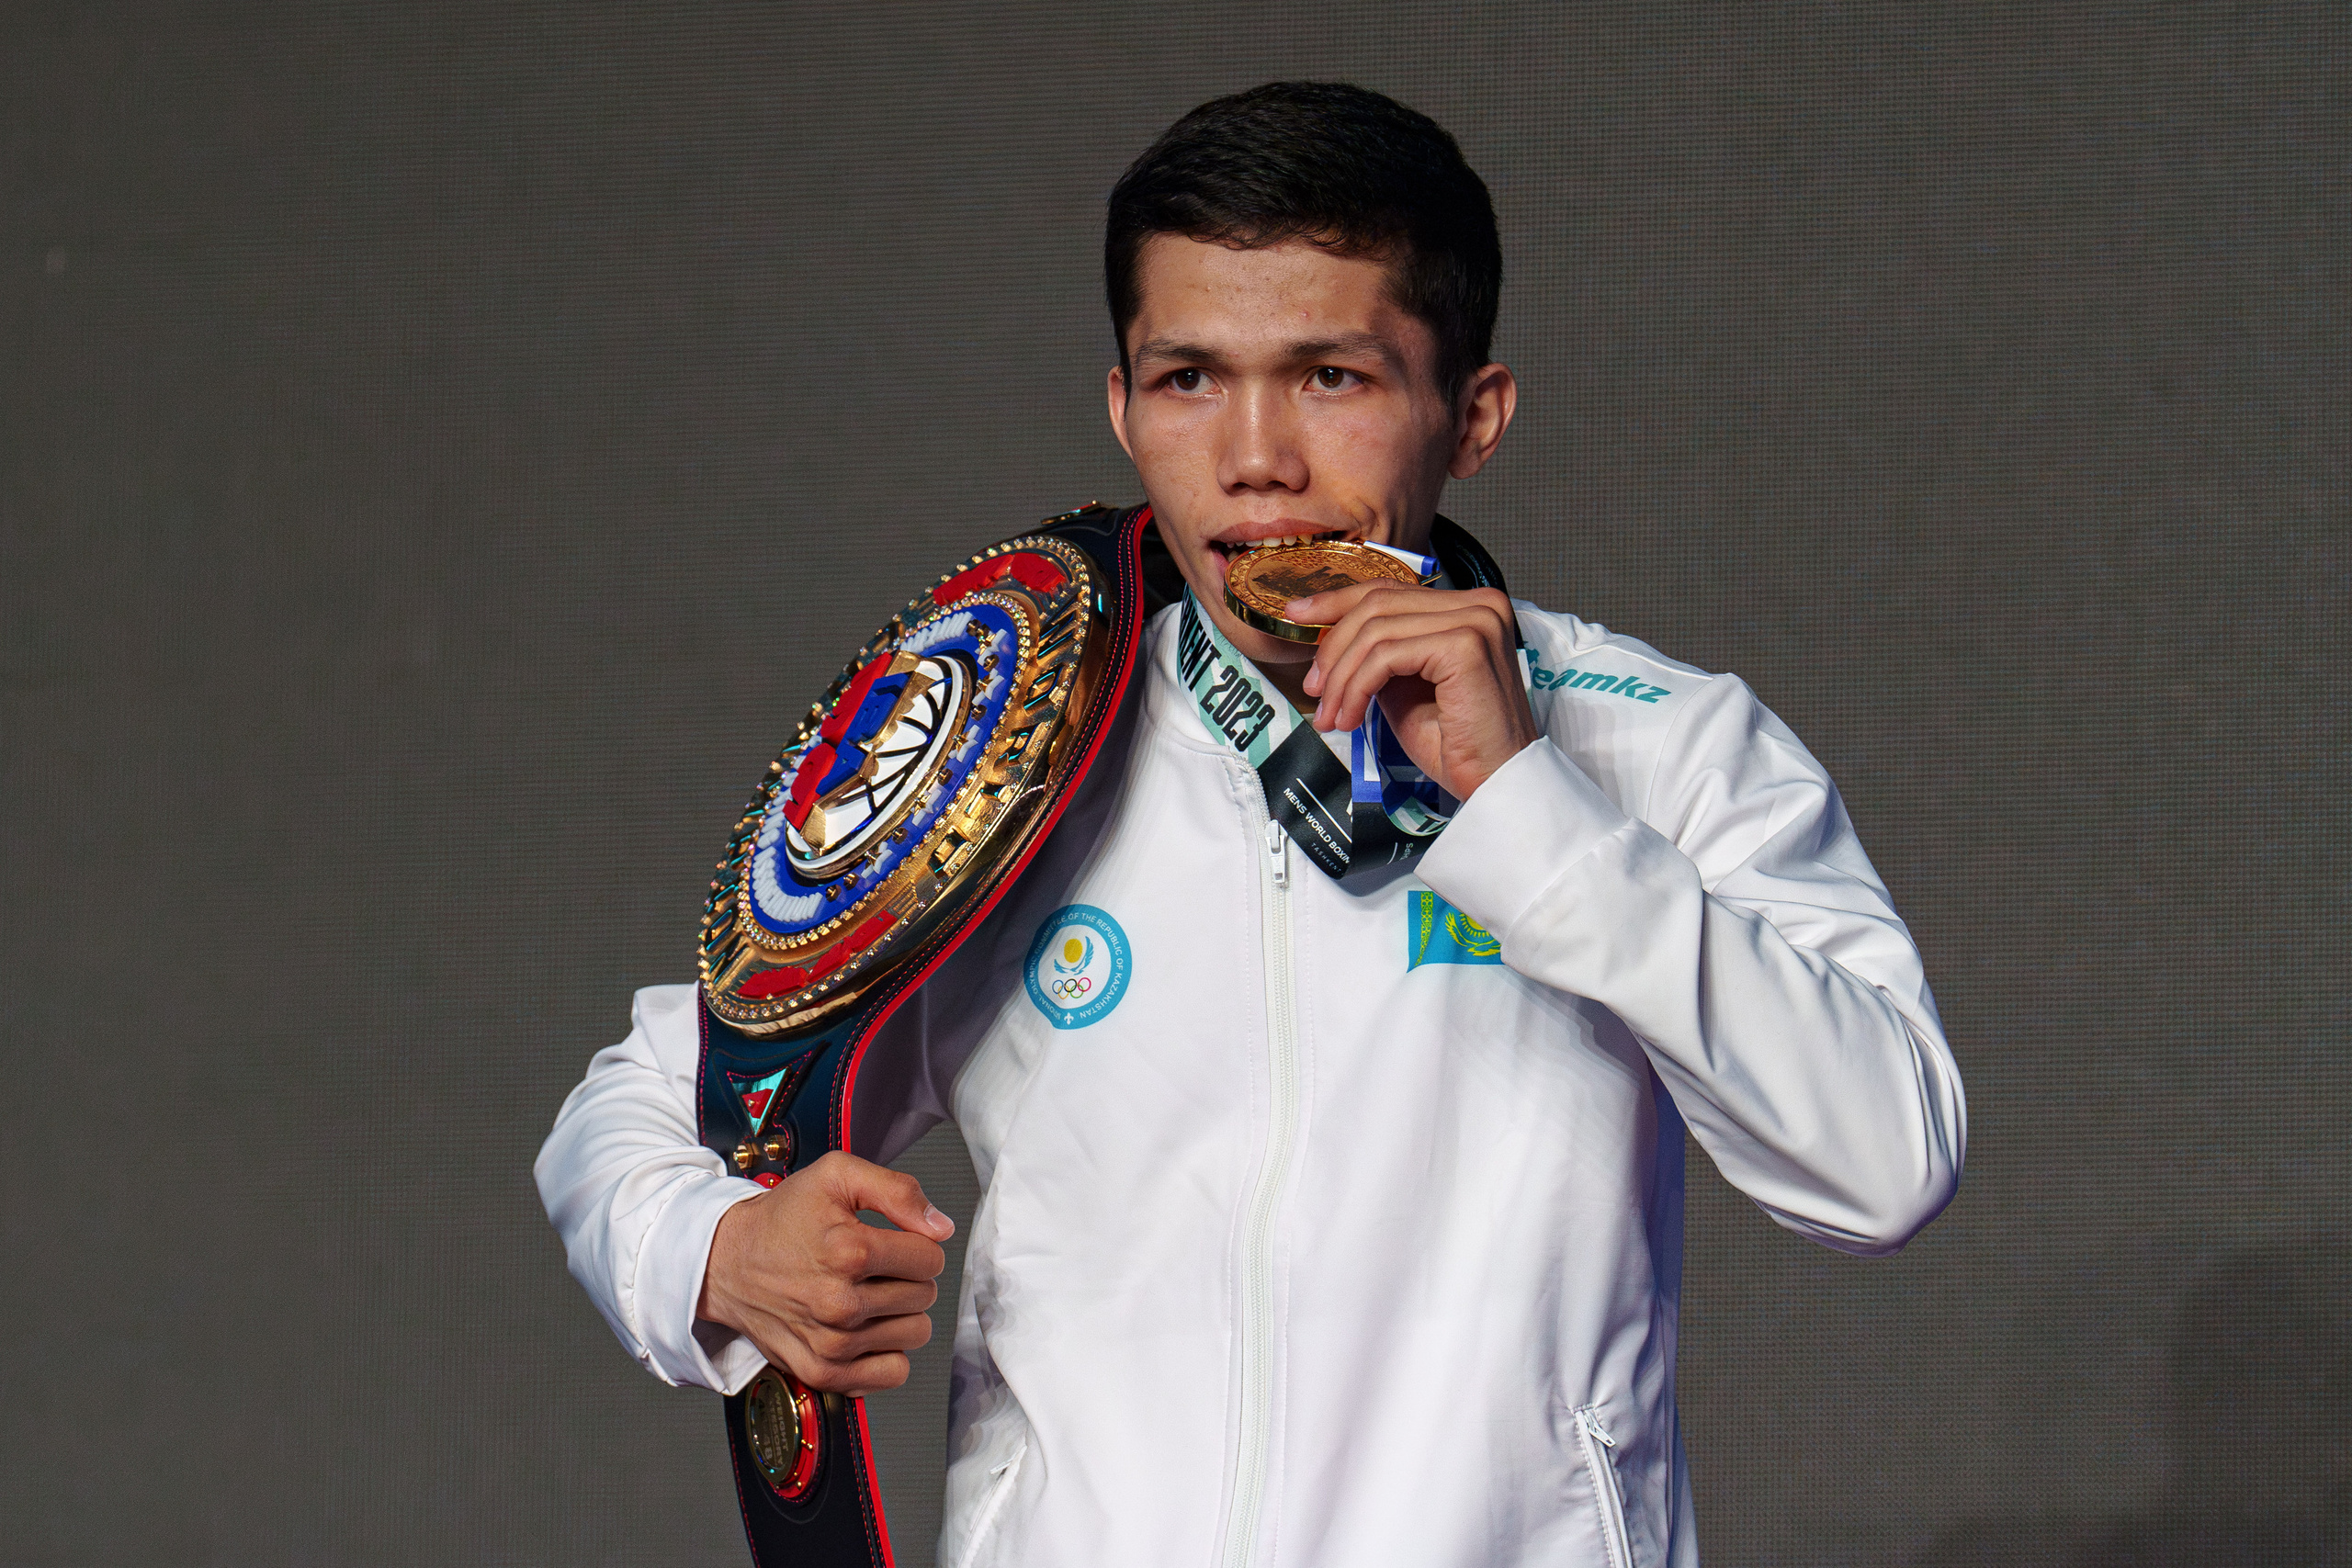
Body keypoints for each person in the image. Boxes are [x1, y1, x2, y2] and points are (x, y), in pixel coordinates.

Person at [537, 81, 1965, 1567]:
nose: (1255, 456)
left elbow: (1886, 1160)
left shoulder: (1658, 740)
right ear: (1121, 405)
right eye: (1189, 380)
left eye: (1332, 378)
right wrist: (714, 1252)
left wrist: (1533, 812)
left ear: (1472, 417)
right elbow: (635, 1104)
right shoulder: (1017, 742)